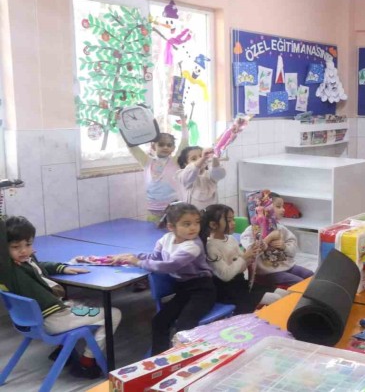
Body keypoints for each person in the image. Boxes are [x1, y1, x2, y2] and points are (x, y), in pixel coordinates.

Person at [0, 216, 122, 379]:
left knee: (87, 302)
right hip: (53, 319)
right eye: (16, 247)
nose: (23, 251)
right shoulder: (8, 270)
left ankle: (64, 351)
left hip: (44, 316)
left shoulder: (24, 261)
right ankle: (87, 362)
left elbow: (39, 266)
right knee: (113, 314)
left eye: (28, 244)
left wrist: (61, 268)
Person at [114, 203, 215, 355]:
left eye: (196, 223)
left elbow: (169, 265)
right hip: (183, 291)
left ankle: (186, 358)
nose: (193, 228)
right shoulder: (165, 239)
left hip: (203, 290)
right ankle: (158, 358)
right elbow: (154, 257)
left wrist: (138, 262)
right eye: (187, 224)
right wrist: (131, 257)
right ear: (171, 227)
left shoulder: (193, 246)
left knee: (184, 325)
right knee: (159, 321)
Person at [200, 204, 272, 314]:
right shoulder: (211, 247)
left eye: (233, 219)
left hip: (240, 283)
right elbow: (226, 275)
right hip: (226, 291)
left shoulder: (231, 239)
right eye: (229, 220)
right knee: (275, 299)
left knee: (283, 294)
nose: (233, 223)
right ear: (213, 224)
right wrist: (244, 257)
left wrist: (255, 251)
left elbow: (242, 266)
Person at [245, 193, 314, 287]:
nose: (283, 209)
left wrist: (284, 246)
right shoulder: (250, 232)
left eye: (282, 206)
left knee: (311, 275)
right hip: (267, 273)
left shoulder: (281, 228)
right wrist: (269, 238)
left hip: (287, 266)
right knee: (300, 283)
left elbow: (293, 248)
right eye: (278, 206)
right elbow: (251, 253)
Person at [129, 121, 188, 222]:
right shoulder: (147, 161)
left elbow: (184, 142)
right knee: (153, 232)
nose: (165, 147)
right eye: (161, 144)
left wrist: (183, 120)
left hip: (173, 209)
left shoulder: (175, 161)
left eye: (169, 145)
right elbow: (132, 147)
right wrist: (122, 124)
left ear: (173, 148)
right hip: (153, 210)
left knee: (172, 231)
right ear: (153, 146)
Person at [176, 146, 226, 211]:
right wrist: (203, 158)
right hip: (192, 214)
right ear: (185, 164)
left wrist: (215, 157)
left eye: (201, 156)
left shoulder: (209, 174)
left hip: (212, 214)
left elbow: (219, 173)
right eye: (194, 159)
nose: (200, 159)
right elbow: (190, 173)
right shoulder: (182, 174)